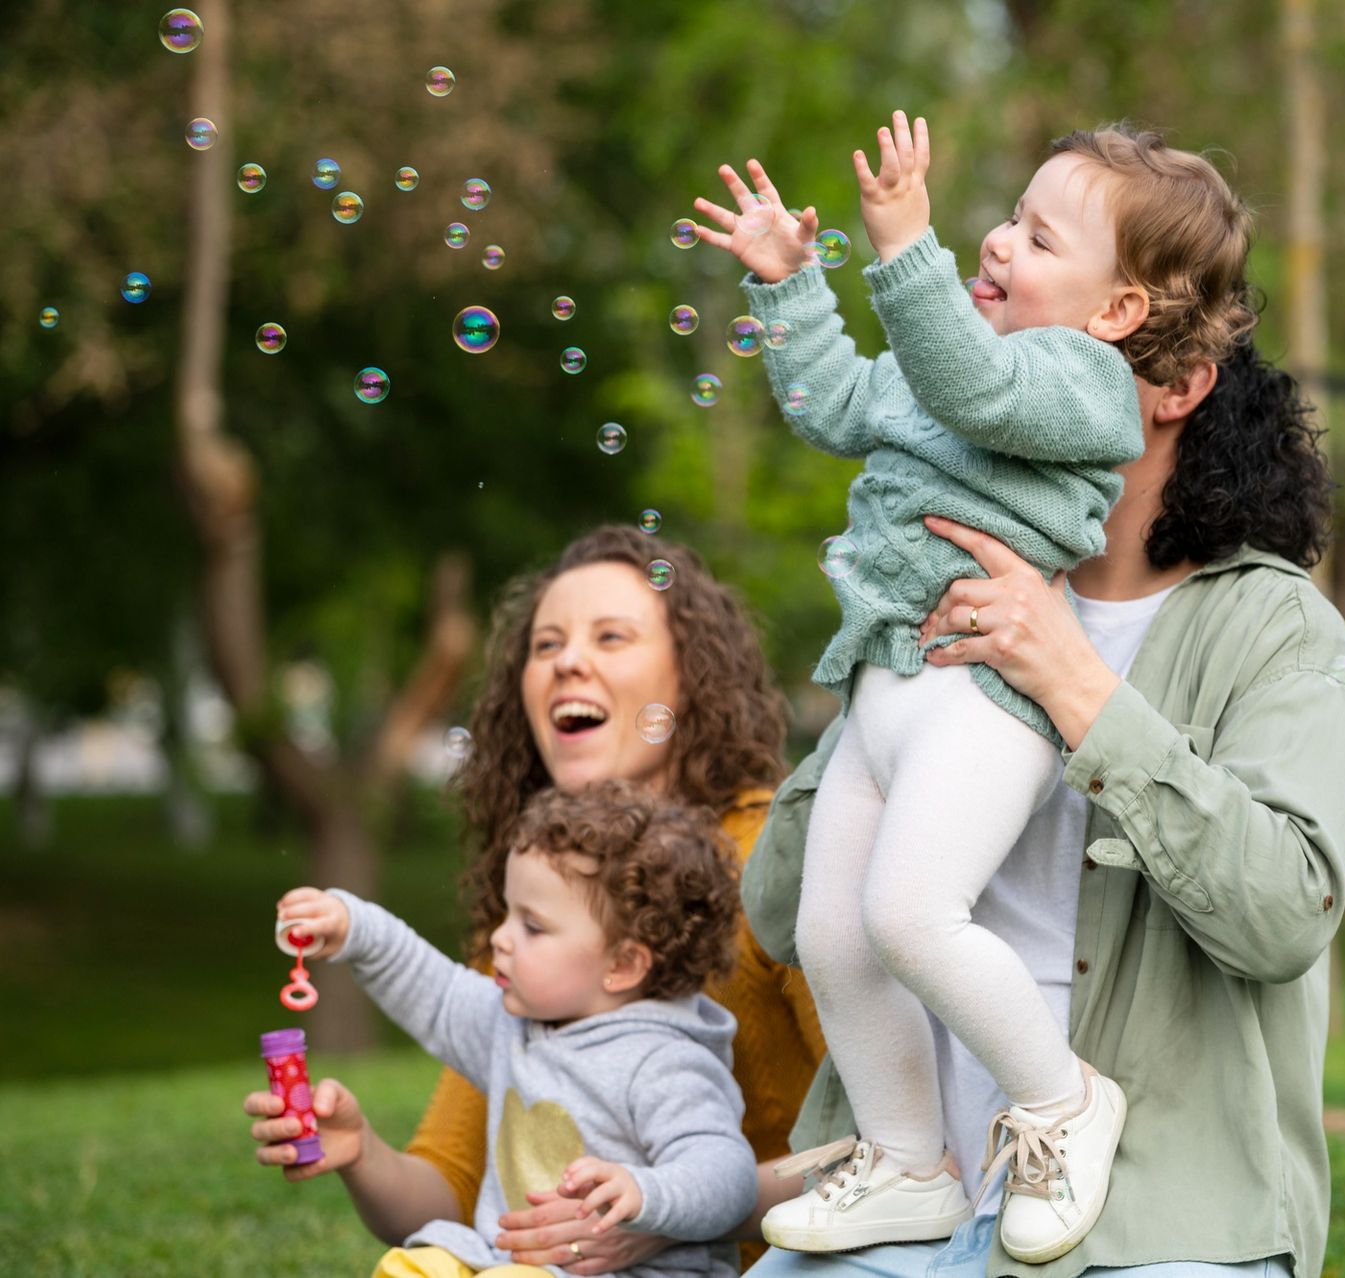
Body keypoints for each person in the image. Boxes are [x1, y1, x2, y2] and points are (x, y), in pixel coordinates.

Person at [688, 113, 1256, 1264]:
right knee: (837, 933)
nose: (998, 244)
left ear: (1117, 315)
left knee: (909, 914)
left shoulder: (1080, 385)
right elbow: (841, 407)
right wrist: (793, 289)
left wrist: (907, 247)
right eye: (1009, 219)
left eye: (1039, 240)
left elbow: (973, 384)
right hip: (890, 687)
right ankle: (906, 1161)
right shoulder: (956, 367)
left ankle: (1060, 1102)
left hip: (983, 708)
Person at [739, 319, 1345, 1278]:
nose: (992, 266)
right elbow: (784, 917)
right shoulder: (934, 608)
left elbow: (1285, 918)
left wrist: (1074, 683)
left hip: (1153, 1225)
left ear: (1177, 385)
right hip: (913, 1203)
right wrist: (890, 677)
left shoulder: (1277, 629)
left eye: (1043, 255)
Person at [246, 529, 822, 1274]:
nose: (567, 662)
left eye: (611, 636)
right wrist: (358, 1152)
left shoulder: (781, 854)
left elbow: (904, 1150)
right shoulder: (539, 924)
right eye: (545, 645)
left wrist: (651, 1213)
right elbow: (454, 1196)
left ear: (694, 677)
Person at [275, 782, 757, 1278]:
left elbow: (727, 1171)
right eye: (509, 913)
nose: (500, 938)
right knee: (421, 1265)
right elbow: (434, 991)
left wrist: (645, 1192)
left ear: (624, 962)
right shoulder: (511, 1025)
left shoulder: (664, 1061)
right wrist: (354, 927)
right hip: (508, 1264)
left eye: (533, 926)